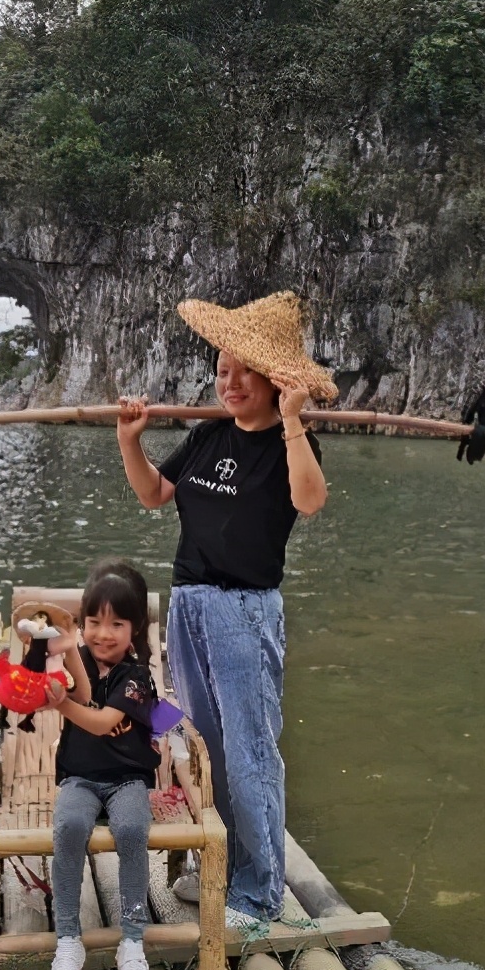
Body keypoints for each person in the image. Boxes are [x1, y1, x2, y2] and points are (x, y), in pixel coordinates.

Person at [114, 291, 334, 928]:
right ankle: (235, 873)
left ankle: (261, 895)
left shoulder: (292, 445)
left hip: (245, 611)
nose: (229, 381)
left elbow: (311, 501)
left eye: (244, 370)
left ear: (275, 382)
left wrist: (294, 421)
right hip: (189, 606)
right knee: (207, 747)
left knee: (251, 753)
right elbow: (156, 494)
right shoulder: (208, 436)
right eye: (222, 368)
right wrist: (132, 441)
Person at [42, 559, 160, 970]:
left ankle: (132, 942)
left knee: (132, 830)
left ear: (135, 630)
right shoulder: (81, 661)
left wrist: (62, 707)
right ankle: (68, 939)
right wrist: (68, 643)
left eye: (116, 623)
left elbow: (99, 719)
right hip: (79, 778)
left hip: (127, 780)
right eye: (93, 622)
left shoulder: (136, 678)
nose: (103, 633)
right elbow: (80, 681)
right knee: (69, 827)